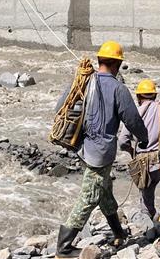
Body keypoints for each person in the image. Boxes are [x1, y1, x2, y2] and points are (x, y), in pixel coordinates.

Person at [55, 41, 149, 258]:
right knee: (89, 196)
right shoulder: (118, 89)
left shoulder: (83, 81)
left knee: (103, 191)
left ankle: (118, 232)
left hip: (81, 148)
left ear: (99, 61)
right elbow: (133, 120)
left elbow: (60, 107)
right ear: (117, 64)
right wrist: (144, 140)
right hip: (101, 153)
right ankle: (64, 247)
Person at [119, 79, 160, 222]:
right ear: (154, 95)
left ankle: (148, 225)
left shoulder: (133, 112)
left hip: (142, 162)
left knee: (146, 196)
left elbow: (123, 141)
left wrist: (132, 151)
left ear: (138, 97)